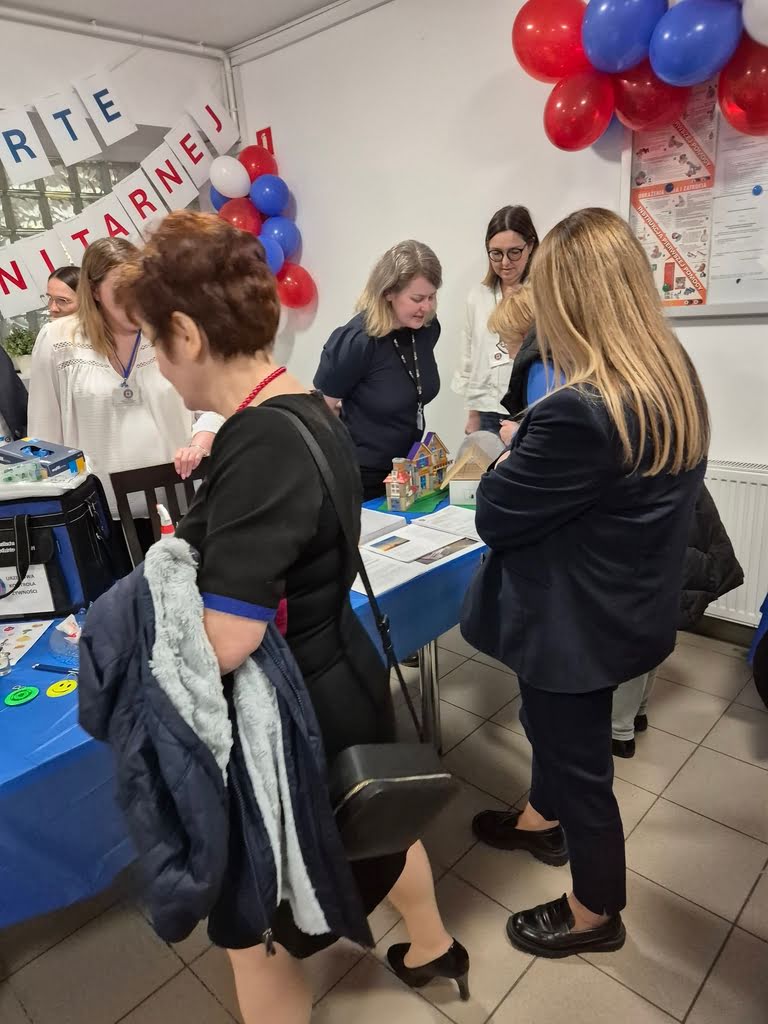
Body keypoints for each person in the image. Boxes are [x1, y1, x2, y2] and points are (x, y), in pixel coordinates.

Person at [115, 211, 468, 1024]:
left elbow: (228, 639)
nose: (160, 366)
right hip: (340, 669)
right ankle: (431, 945)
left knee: (255, 931)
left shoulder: (259, 443)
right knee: (375, 821)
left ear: (186, 333)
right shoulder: (304, 404)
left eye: (156, 344)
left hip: (293, 707)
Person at [462, 208, 710, 959]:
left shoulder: (581, 409)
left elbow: (495, 514)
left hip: (572, 623)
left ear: (569, 296)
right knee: (551, 734)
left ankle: (595, 910)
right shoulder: (671, 379)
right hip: (623, 604)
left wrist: (511, 451)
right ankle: (541, 819)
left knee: (581, 770)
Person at [28, 238, 221, 552]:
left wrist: (200, 444)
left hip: (180, 502)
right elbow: (44, 435)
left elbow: (214, 402)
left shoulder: (171, 330)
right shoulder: (58, 339)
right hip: (100, 517)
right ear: (94, 291)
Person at [612, 486, 743, 757]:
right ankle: (637, 713)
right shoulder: (679, 460)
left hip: (651, 552)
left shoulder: (635, 465)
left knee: (631, 642)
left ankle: (619, 732)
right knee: (651, 635)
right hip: (673, 548)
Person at [314, 240, 442, 501]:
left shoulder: (426, 329)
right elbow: (320, 409)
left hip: (408, 467)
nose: (427, 307)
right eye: (417, 299)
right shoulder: (358, 341)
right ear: (388, 292)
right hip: (362, 475)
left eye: (431, 297)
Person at [452, 206, 539, 437]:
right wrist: (473, 415)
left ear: (530, 246)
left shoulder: (542, 294)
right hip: (487, 408)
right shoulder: (478, 296)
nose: (505, 262)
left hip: (528, 408)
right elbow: (470, 356)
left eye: (514, 252)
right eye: (496, 254)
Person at [487, 284, 535, 448]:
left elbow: (545, 440)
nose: (506, 349)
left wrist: (517, 434)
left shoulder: (538, 374)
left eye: (505, 340)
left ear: (522, 335)